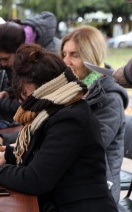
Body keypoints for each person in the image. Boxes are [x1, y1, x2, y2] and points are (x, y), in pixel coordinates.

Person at [0, 43, 118, 211]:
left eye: (25, 94)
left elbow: (35, 179)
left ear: (45, 88)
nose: (23, 101)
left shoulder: (69, 118)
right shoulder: (58, 109)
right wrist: (10, 155)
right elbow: (46, 156)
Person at [61, 25, 128, 203]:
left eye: (74, 55)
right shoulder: (74, 89)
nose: (66, 61)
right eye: (64, 54)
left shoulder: (109, 98)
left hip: (98, 192)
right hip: (75, 181)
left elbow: (88, 144)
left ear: (92, 56)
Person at [0, 22, 25, 129]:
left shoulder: (37, 69)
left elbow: (31, 104)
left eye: (5, 59)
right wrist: (8, 92)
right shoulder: (13, 66)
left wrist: (2, 104)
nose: (2, 64)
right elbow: (16, 85)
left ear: (20, 49)